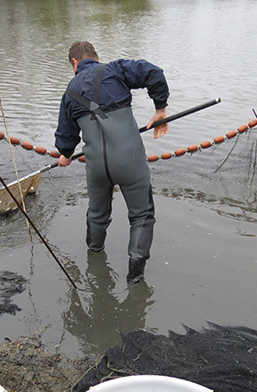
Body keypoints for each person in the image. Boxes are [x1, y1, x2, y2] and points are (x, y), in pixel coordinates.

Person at [54, 41, 170, 285]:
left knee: (97, 214)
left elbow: (66, 137)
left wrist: (65, 154)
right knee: (141, 215)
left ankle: (94, 255)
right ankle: (135, 279)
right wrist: (160, 109)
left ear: (74, 63)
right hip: (129, 161)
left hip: (95, 166)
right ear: (95, 57)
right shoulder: (115, 70)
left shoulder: (70, 92)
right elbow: (153, 73)